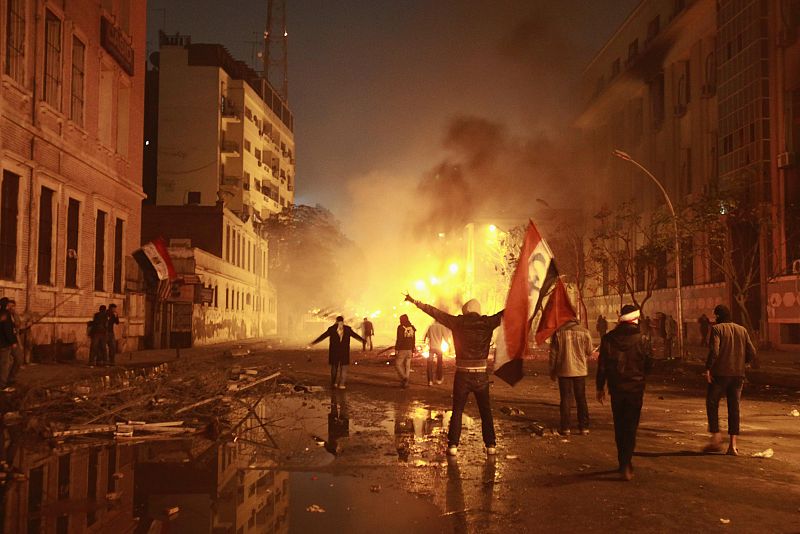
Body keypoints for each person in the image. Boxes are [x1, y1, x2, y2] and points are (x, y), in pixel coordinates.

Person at [405, 294, 502, 457]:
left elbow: (435, 312)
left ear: (465, 311)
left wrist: (416, 302)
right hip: (481, 374)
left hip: (462, 375)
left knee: (457, 410)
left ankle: (453, 446)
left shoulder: (458, 322)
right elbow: (507, 312)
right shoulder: (488, 322)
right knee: (486, 411)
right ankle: (490, 445)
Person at [596, 304, 652, 481]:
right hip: (635, 389)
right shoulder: (643, 338)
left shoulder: (608, 338)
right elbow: (650, 364)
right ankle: (627, 462)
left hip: (616, 388)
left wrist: (600, 387)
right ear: (636, 319)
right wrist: (641, 377)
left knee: (619, 425)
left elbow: (602, 365)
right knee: (631, 426)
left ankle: (623, 462)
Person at [703, 304, 757, 456]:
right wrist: (743, 363)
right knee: (734, 408)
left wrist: (708, 368)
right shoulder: (742, 330)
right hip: (738, 375)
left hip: (720, 374)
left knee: (712, 403)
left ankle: (716, 438)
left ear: (718, 317)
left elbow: (715, 351)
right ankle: (732, 446)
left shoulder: (717, 329)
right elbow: (752, 352)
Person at [549, 319, 593, 436]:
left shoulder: (558, 333)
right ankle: (584, 427)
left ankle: (565, 428)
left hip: (564, 370)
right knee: (581, 399)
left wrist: (552, 370)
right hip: (580, 370)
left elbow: (553, 354)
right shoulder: (584, 332)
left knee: (565, 399)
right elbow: (589, 351)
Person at [311, 316, 364, 390]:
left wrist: (314, 342)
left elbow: (323, 336)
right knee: (344, 368)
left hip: (334, 351)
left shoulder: (331, 329)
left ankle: (334, 383)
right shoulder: (348, 329)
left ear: (336, 320)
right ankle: (342, 384)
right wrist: (363, 341)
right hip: (344, 351)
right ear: (343, 321)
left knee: (334, 367)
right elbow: (355, 336)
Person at [424, 320, 452, 386]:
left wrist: (426, 344)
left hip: (432, 348)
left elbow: (426, 337)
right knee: (439, 364)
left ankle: (430, 381)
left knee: (429, 364)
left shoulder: (430, 327)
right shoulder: (441, 327)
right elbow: (445, 337)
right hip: (438, 348)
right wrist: (449, 346)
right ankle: (438, 379)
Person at [0, 298, 19, 392]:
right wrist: (13, 342)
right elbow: (7, 331)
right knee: (4, 364)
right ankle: (3, 385)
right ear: (7, 305)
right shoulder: (6, 315)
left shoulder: (1, 314)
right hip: (4, 344)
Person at [394, 314, 416, 388]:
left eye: (400, 319)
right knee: (407, 366)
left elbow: (399, 339)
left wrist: (397, 349)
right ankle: (406, 383)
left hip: (402, 349)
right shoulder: (412, 327)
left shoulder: (400, 327)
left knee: (397, 364)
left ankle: (404, 378)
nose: (399, 321)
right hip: (409, 349)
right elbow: (413, 339)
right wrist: (413, 349)